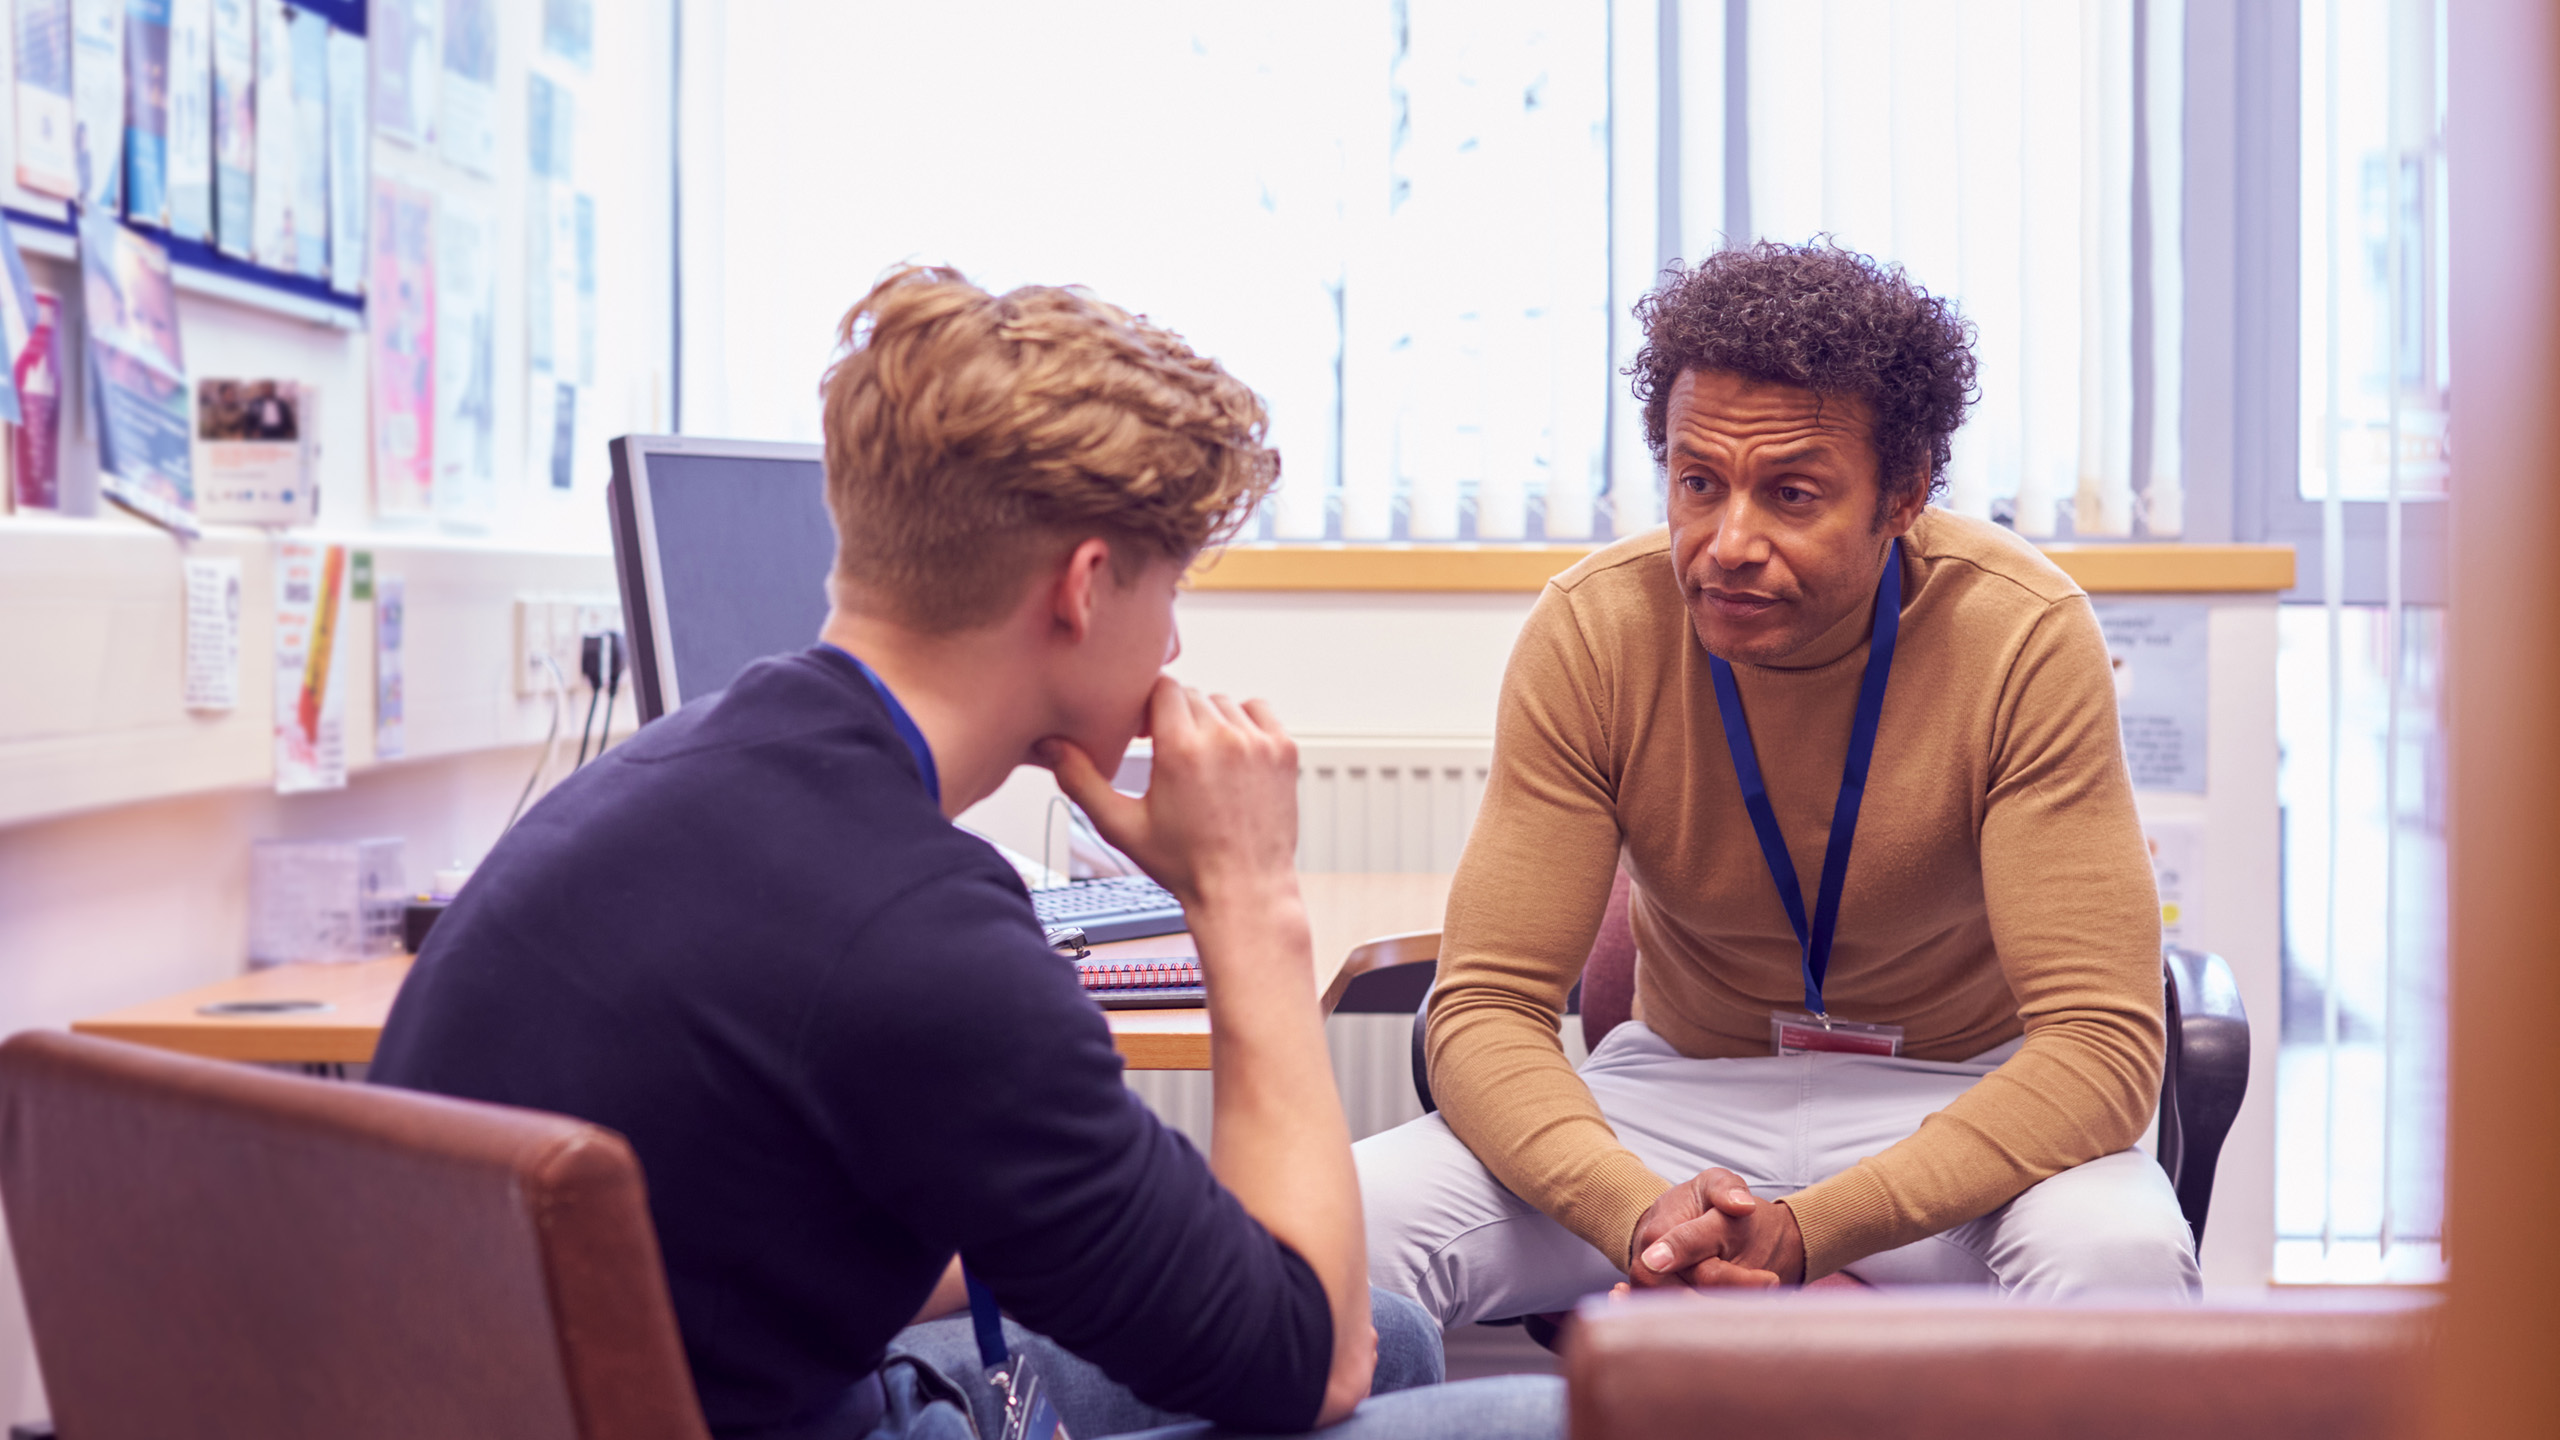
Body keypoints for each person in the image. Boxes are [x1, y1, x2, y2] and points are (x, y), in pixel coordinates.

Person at [372, 267, 1561, 1440]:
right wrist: (1246, 893)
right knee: (1557, 1415)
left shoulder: (671, 774)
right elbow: (1312, 1367)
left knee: (1401, 1327)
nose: (1176, 637)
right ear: (1085, 589)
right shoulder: (917, 935)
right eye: (1173, 588)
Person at [1356, 242, 2200, 1325]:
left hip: (1960, 1103)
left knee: (2120, 1262)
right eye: (1696, 483)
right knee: (1338, 1232)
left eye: (1791, 494)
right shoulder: (1595, 629)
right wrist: (1640, 1211)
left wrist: (1813, 1231)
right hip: (1675, 1101)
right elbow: (1484, 1008)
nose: (1727, 544)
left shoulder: (2019, 635)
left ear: (1901, 497)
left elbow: (2100, 1044)